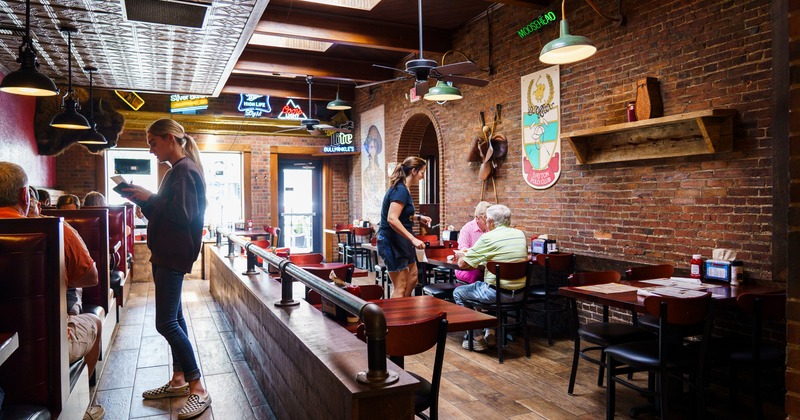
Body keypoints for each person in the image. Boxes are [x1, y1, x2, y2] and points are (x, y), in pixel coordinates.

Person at [121, 119, 211, 419]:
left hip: (172, 254)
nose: (150, 149)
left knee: (166, 323)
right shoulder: (179, 171)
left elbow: (182, 216)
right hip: (168, 253)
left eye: (153, 142)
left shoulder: (183, 171)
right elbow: (170, 212)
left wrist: (151, 198)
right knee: (176, 318)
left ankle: (198, 387)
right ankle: (178, 379)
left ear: (170, 138)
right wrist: (144, 200)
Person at [0, 162, 105, 420]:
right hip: (41, 356)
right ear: (26, 195)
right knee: (94, 321)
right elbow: (91, 278)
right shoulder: (52, 230)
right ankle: (81, 405)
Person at [453, 204, 528, 351]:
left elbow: (462, 264)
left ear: (491, 221)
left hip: (496, 294)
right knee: (484, 284)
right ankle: (490, 331)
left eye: (487, 219)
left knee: (459, 292)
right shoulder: (519, 234)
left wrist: (463, 255)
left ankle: (477, 338)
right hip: (520, 295)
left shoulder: (488, 237)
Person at [377, 156, 432, 298]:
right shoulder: (400, 189)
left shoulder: (404, 189)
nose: (423, 176)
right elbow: (392, 218)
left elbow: (401, 214)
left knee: (413, 278)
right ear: (413, 171)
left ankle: (404, 307)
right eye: (422, 172)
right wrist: (413, 239)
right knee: (400, 286)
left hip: (401, 240)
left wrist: (418, 217)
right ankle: (396, 317)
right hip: (391, 240)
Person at [454, 201, 492, 284]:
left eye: (490, 218)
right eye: (485, 218)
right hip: (467, 267)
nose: (488, 221)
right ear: (477, 218)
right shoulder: (467, 229)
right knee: (478, 276)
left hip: (486, 267)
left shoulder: (491, 228)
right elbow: (463, 250)